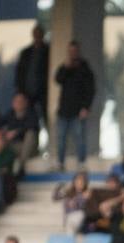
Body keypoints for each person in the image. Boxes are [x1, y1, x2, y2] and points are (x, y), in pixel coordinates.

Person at [54, 41, 95, 170]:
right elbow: (57, 79)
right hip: (64, 111)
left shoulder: (84, 67)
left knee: (80, 139)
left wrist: (86, 107)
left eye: (75, 51)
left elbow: (91, 89)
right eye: (70, 51)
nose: (73, 54)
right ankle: (60, 163)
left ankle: (81, 163)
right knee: (61, 139)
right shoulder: (64, 67)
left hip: (78, 111)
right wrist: (66, 67)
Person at [15, 24, 49, 125]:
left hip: (43, 91)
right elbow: (20, 72)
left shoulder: (48, 51)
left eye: (39, 34)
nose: (37, 36)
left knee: (45, 117)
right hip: (28, 91)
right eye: (35, 34)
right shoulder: (26, 52)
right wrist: (20, 90)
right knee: (29, 119)